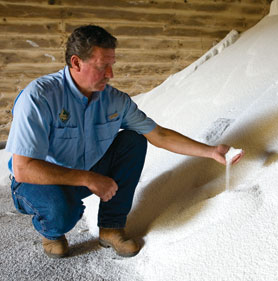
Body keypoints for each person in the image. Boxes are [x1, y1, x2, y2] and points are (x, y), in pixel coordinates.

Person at [5, 25, 243, 259]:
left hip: (82, 175)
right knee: (61, 213)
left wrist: (211, 152)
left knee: (133, 141)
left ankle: (111, 227)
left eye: (112, 65)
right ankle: (52, 231)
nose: (111, 74)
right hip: (35, 182)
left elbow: (158, 135)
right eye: (102, 66)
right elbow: (23, 168)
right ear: (76, 62)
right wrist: (88, 178)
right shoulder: (39, 97)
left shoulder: (114, 101)